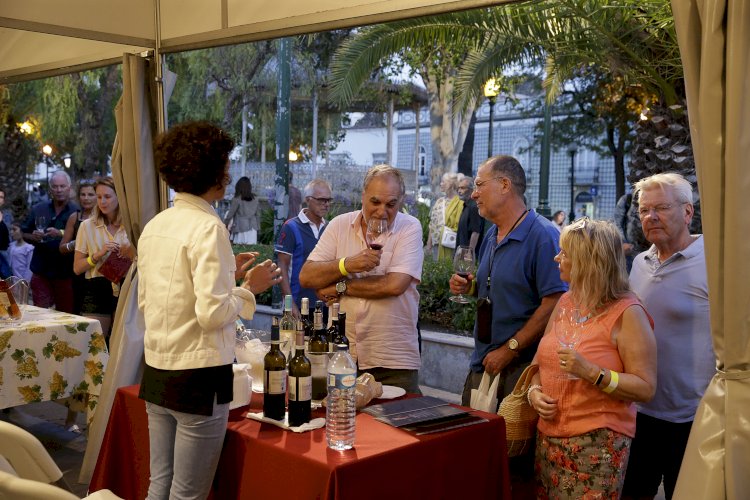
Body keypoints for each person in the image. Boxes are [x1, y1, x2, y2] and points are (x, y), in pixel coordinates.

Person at [138, 121, 281, 500]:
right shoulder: (208, 226)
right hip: (198, 377)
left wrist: (227, 277)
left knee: (159, 486)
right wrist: (249, 289)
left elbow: (155, 299)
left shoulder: (155, 226)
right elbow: (213, 314)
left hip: (156, 369)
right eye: (226, 164)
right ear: (215, 174)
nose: (230, 172)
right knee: (188, 494)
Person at [527, 218, 657, 498]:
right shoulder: (566, 302)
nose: (556, 257)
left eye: (565, 253)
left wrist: (593, 373)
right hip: (548, 438)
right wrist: (534, 392)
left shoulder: (628, 313)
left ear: (588, 261)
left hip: (596, 445)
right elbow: (541, 362)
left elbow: (645, 388)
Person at [622, 173, 713, 500]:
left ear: (688, 213)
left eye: (661, 208)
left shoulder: (713, 260)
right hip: (640, 415)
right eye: (645, 210)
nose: (651, 217)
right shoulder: (639, 265)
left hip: (694, 419)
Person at [449, 155, 566, 405]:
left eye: (479, 185)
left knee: (505, 444)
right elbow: (497, 287)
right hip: (484, 363)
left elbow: (555, 302)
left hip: (519, 371)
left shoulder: (543, 236)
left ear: (504, 185)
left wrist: (511, 348)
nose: (473, 194)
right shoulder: (492, 234)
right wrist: (470, 288)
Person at [299, 164, 423, 394]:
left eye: (391, 204)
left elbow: (395, 285)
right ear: (363, 195)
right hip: (341, 354)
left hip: (392, 360)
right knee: (340, 424)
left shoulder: (410, 227)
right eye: (375, 202)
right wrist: (347, 264)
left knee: (398, 427)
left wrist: (341, 286)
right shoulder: (339, 225)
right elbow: (306, 276)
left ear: (402, 200)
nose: (382, 211)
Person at [72, 177, 134, 338]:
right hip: (97, 286)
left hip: (127, 285)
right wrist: (97, 255)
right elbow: (77, 268)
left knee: (121, 345)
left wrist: (132, 251)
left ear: (119, 196)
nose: (102, 201)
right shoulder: (87, 226)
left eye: (107, 196)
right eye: (99, 197)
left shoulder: (131, 224)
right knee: (95, 345)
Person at [22, 170, 79, 312]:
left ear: (69, 188)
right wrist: (32, 237)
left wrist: (61, 235)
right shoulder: (38, 209)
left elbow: (82, 240)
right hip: (41, 271)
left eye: (62, 186)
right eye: (55, 186)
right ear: (50, 189)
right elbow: (23, 233)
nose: (58, 190)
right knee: (40, 315)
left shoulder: (77, 211)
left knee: (66, 317)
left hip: (66, 273)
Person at [275, 178, 332, 317]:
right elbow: (281, 266)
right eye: (321, 200)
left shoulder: (330, 228)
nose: (326, 204)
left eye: (328, 200)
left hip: (325, 305)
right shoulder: (291, 227)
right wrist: (290, 305)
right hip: (298, 305)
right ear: (308, 200)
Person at [60, 179, 97, 314]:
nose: (86, 198)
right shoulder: (74, 217)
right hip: (79, 272)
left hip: (100, 272)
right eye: (83, 194)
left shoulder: (105, 217)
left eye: (90, 194)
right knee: (78, 309)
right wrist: (76, 243)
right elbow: (62, 247)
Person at [426, 172, 462, 261]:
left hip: (451, 242)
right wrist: (429, 242)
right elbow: (432, 224)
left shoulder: (460, 203)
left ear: (450, 184)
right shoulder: (439, 201)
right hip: (437, 243)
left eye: (443, 182)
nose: (441, 184)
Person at [223, 176, 259, 245]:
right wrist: (258, 230)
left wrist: (223, 225)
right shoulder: (255, 198)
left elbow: (230, 214)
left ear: (238, 187)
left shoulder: (237, 199)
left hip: (241, 228)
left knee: (240, 251)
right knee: (251, 251)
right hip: (253, 229)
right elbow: (258, 215)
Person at [455, 175, 485, 258]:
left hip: (467, 256)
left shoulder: (474, 206)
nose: (459, 191)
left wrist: (469, 254)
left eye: (462, 188)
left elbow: (475, 232)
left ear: (471, 189)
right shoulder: (466, 205)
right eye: (458, 188)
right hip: (461, 252)